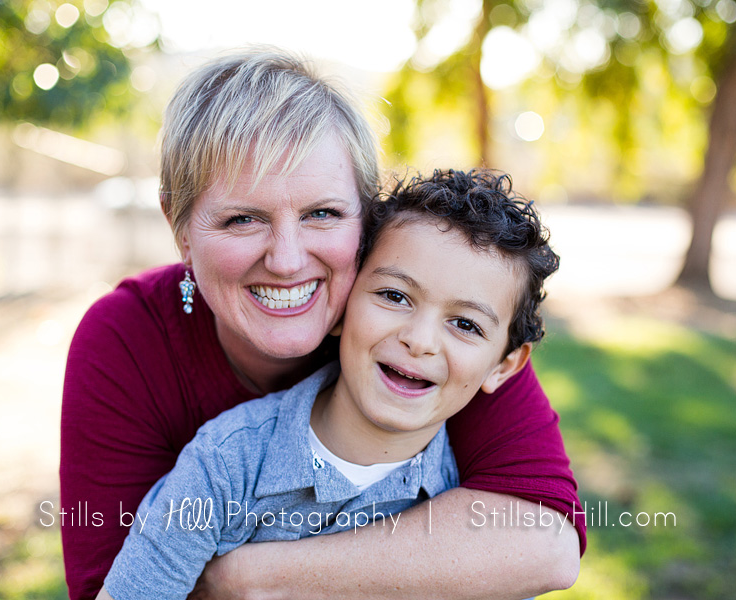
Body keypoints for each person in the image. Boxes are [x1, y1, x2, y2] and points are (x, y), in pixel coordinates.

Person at [60, 48, 584, 600]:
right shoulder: (135, 351)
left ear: (366, 217)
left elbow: (543, 541)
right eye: (242, 218)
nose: (287, 260)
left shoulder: (435, 330)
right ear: (180, 226)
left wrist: (249, 580)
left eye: (322, 213)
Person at [95, 168, 560, 600]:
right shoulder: (223, 466)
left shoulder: (476, 513)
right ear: (340, 306)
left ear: (503, 366)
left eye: (465, 324)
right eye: (394, 296)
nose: (419, 341)